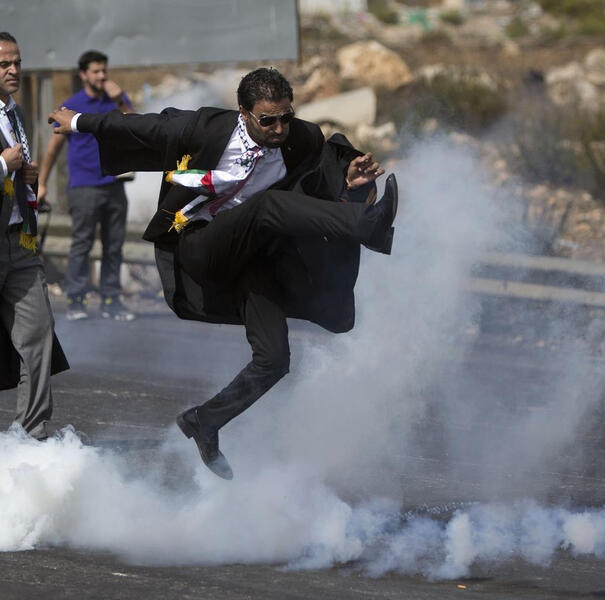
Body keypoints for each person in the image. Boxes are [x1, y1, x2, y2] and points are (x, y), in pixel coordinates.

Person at [48, 67, 398, 479]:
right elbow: (149, 127)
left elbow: (320, 186)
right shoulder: (207, 127)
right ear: (244, 113)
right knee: (267, 208)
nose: (279, 128)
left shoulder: (300, 138)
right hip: (200, 244)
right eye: (268, 120)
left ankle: (206, 421)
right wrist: (79, 121)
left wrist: (351, 188)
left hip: (251, 255)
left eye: (285, 117)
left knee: (274, 359)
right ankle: (367, 227)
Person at [0, 32, 69, 439]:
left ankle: (30, 437)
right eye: (4, 64)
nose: (13, 70)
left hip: (20, 240)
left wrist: (26, 177)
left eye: (17, 63)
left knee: (38, 332)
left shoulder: (16, 113)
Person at [38, 50, 135, 321]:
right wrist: (42, 183)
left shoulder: (116, 100)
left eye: (104, 70)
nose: (102, 75)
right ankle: (77, 299)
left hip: (114, 184)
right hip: (84, 186)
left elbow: (137, 128)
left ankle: (110, 299)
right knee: (81, 243)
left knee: (114, 245)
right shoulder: (71, 105)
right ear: (83, 74)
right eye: (95, 71)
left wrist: (119, 100)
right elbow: (53, 148)